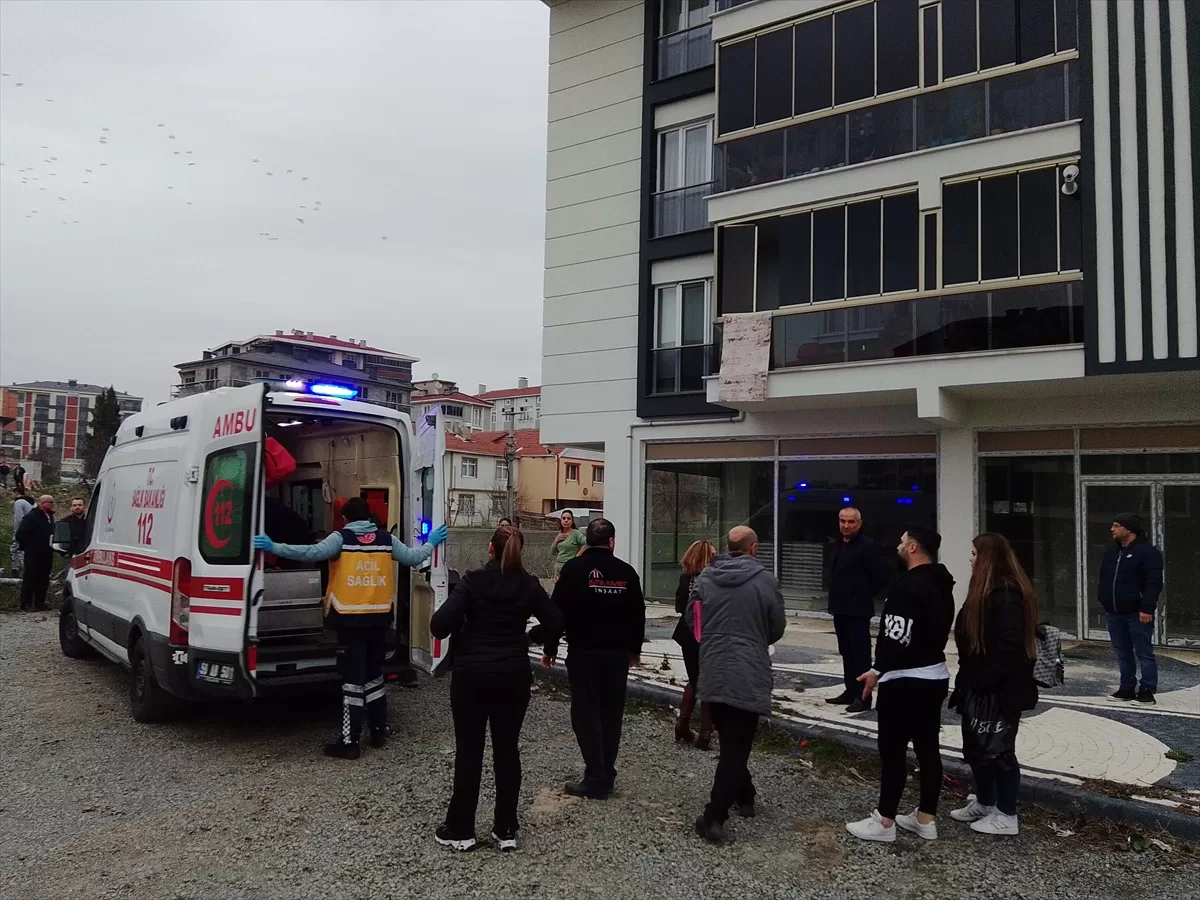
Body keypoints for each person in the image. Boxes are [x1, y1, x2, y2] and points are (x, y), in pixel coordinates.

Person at [252, 497, 448, 758]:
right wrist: (432, 541)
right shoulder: (385, 539)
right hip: (379, 620)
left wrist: (274, 546)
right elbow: (415, 558)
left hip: (350, 621)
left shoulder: (340, 539)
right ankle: (379, 730)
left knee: (352, 682)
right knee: (374, 675)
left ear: (345, 519)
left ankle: (350, 742)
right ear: (369, 518)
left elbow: (309, 553)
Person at [430, 525, 563, 853]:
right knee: (507, 750)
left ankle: (461, 829)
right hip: (512, 677)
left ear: (490, 550)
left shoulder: (472, 583)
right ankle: (505, 829)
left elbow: (438, 625)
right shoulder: (529, 586)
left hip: (471, 677)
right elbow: (558, 622)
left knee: (469, 751)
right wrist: (535, 639)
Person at [847, 525, 955, 843]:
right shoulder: (941, 583)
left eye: (902, 541)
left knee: (892, 751)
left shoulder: (907, 586)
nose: (897, 545)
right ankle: (926, 818)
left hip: (904, 681)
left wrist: (877, 670)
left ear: (913, 548)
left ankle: (885, 822)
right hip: (934, 675)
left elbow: (897, 636)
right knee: (927, 749)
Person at [686, 526, 786, 844]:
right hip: (749, 671)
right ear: (754, 548)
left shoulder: (705, 579)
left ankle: (746, 795)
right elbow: (777, 626)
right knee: (736, 746)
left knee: (731, 741)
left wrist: (713, 641)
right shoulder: (766, 582)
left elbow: (693, 619)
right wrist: (755, 641)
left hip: (713, 669)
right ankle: (715, 815)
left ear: (729, 547)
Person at [545, 518, 644, 800]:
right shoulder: (627, 573)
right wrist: (634, 650)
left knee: (585, 715)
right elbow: (637, 614)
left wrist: (550, 648)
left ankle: (595, 776)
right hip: (616, 656)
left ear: (586, 541)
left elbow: (556, 612)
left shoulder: (573, 570)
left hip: (583, 653)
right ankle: (605, 772)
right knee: (611, 713)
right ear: (612, 542)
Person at [949, 533, 1039, 837]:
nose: (971, 558)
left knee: (999, 751)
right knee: (977, 749)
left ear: (988, 558)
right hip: (978, 685)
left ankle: (1007, 813)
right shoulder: (988, 591)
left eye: (975, 553)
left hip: (1000, 690)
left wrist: (984, 681)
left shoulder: (1006, 595)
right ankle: (986, 802)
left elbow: (1009, 648)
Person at [825, 507, 890, 714]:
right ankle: (850, 690)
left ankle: (863, 697)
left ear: (859, 524)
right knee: (846, 652)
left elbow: (880, 577)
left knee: (860, 654)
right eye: (843, 521)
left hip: (858, 610)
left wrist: (861, 594)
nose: (846, 525)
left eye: (851, 522)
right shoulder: (837, 545)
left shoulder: (867, 547)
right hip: (840, 608)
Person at [1098, 513, 1163, 704]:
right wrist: (1103, 599)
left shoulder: (1148, 553)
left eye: (1117, 525)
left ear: (1129, 529)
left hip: (1137, 612)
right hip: (1114, 612)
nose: (1112, 529)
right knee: (1122, 653)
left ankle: (1147, 690)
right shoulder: (1112, 552)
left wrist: (1147, 608)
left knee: (1144, 653)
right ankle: (1126, 688)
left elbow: (1154, 583)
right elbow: (1104, 578)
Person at [672, 540, 717, 747]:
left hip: (686, 634)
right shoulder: (714, 580)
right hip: (707, 634)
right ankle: (706, 731)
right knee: (707, 682)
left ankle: (682, 723)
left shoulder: (684, 579)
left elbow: (679, 607)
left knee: (693, 679)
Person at [16, 495, 56, 611]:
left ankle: (40, 602)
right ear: (43, 503)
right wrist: (30, 546)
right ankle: (26, 603)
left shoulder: (49, 516)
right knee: (30, 577)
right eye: (50, 502)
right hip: (33, 553)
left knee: (44, 578)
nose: (52, 504)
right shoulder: (32, 517)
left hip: (47, 552)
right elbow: (20, 534)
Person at [549, 509, 586, 576]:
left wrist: (577, 557)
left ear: (572, 521)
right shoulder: (560, 534)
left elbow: (586, 543)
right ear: (561, 521)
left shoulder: (576, 533)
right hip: (558, 571)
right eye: (564, 518)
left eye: (568, 518)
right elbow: (552, 552)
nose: (566, 520)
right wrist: (556, 540)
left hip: (570, 568)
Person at [10, 488, 33, 577]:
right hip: (30, 531)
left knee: (17, 549)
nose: (11, 496)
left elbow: (18, 519)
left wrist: (16, 534)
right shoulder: (29, 502)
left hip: (22, 531)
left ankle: (20, 571)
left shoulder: (19, 502)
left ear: (16, 493)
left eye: (12, 494)